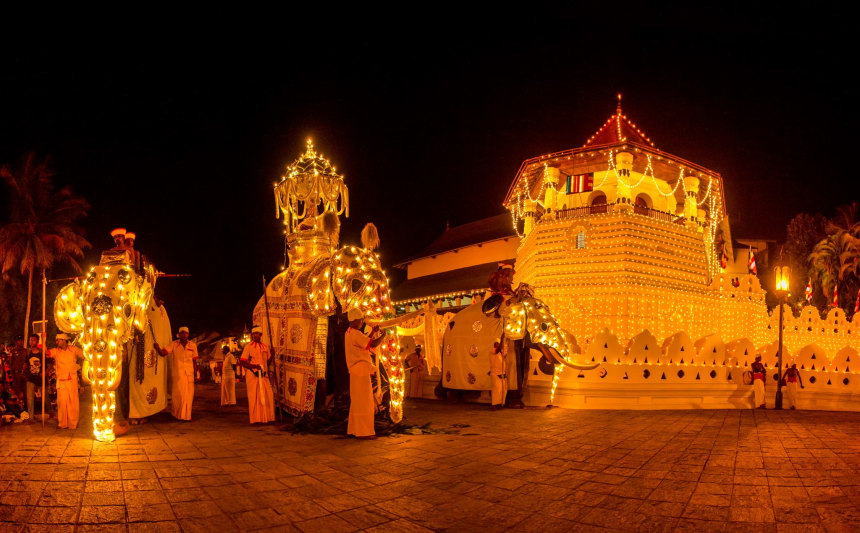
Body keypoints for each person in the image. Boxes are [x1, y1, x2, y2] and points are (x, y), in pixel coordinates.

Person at [344, 309, 387, 439]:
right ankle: (364, 432)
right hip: (361, 371)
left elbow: (364, 343)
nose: (363, 322)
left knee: (357, 402)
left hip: (355, 372)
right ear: (356, 320)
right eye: (362, 320)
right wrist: (383, 336)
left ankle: (355, 429)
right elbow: (372, 344)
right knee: (365, 403)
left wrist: (373, 332)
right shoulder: (355, 334)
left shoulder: (349, 332)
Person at [156, 327, 197, 421]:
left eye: (185, 333)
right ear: (179, 334)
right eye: (182, 333)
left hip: (189, 374)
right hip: (178, 374)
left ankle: (187, 415)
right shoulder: (174, 344)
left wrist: (196, 374)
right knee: (178, 395)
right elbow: (163, 353)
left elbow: (194, 361)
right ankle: (177, 414)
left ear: (188, 334)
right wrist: (157, 347)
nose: (184, 335)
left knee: (189, 396)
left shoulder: (193, 345)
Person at [238, 327, 275, 423]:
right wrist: (255, 366)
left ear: (261, 335)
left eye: (257, 333)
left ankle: (268, 418)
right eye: (253, 333)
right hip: (253, 375)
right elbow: (242, 362)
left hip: (264, 375)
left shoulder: (265, 347)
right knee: (254, 397)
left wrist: (273, 354)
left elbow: (268, 362)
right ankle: (256, 419)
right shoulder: (248, 346)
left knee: (268, 395)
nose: (254, 335)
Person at [49, 334, 84, 429]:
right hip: (61, 380)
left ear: (64, 341)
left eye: (58, 340)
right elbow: (46, 353)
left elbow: (85, 356)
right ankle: (62, 423)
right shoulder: (56, 351)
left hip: (72, 379)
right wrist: (43, 340)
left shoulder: (74, 349)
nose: (57, 342)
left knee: (73, 402)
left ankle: (73, 424)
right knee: (61, 402)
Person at [24, 334, 46, 418]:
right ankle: (31, 417)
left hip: (40, 379)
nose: (31, 342)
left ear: (37, 341)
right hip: (30, 378)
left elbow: (47, 364)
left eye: (33, 340)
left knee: (45, 397)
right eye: (30, 340)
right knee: (30, 399)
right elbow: (25, 363)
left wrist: (44, 373)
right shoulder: (28, 352)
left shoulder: (41, 352)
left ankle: (51, 412)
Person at [489, 341, 508, 410]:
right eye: (496, 343)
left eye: (498, 343)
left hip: (502, 374)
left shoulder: (501, 353)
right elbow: (498, 349)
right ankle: (494, 405)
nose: (497, 345)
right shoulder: (492, 351)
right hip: (495, 374)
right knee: (497, 389)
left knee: (503, 390)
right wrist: (502, 338)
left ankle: (500, 404)